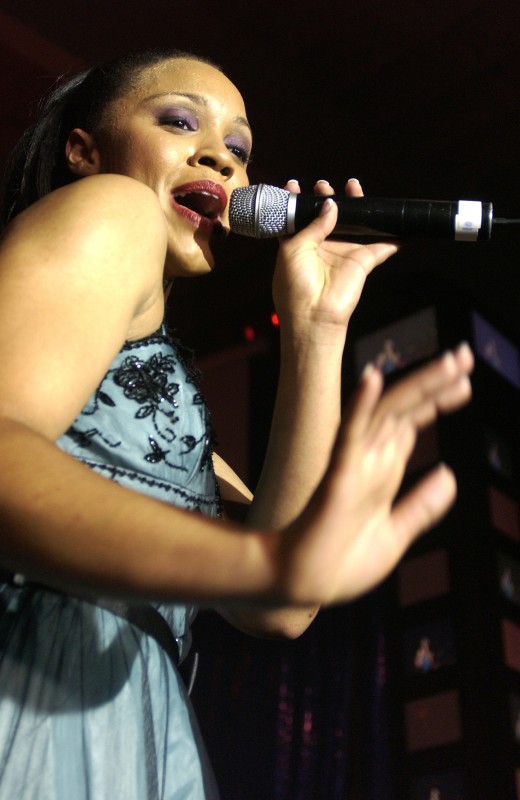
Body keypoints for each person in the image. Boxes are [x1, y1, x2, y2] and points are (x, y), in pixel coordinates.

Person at [0, 47, 473, 799]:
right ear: (83, 150)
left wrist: (317, 325)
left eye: (240, 149)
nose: (222, 158)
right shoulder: (115, 206)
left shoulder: (148, 408)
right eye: (178, 121)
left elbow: (279, 610)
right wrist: (267, 565)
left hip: (134, 734)